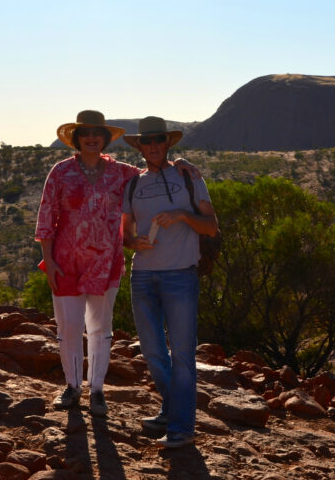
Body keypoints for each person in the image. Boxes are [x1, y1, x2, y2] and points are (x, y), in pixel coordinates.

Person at [35, 110, 197, 418]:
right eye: (86, 134)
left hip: (105, 262)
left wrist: (180, 164)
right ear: (77, 139)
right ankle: (72, 386)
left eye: (98, 133)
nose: (92, 138)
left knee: (100, 328)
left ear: (105, 139)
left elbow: (155, 171)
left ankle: (96, 390)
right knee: (68, 328)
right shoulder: (60, 171)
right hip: (66, 261)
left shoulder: (123, 173)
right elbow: (46, 215)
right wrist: (49, 260)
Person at [121, 117, 218, 449]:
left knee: (182, 355)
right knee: (152, 352)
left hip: (181, 275)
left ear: (167, 143)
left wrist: (182, 216)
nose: (153, 146)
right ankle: (171, 410)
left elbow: (211, 227)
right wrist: (134, 243)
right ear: (140, 146)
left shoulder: (188, 177)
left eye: (158, 140)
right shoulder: (134, 184)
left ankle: (181, 428)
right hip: (142, 276)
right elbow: (125, 232)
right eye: (147, 141)